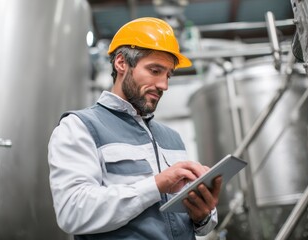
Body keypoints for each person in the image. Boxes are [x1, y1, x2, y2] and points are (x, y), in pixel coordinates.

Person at [48, 17, 222, 240]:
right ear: (121, 63)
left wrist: (203, 216)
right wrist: (156, 185)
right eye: (155, 70)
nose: (164, 85)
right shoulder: (79, 127)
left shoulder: (172, 138)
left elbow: (195, 225)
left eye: (168, 75)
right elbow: (72, 212)